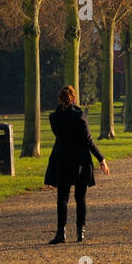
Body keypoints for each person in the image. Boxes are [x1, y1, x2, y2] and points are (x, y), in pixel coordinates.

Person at [43, 85, 109, 244]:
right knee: (80, 198)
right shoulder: (80, 116)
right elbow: (88, 140)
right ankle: (80, 232)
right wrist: (101, 159)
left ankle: (61, 233)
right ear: (73, 98)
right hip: (80, 160)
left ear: (60, 99)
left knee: (62, 198)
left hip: (62, 158)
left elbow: (60, 135)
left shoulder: (54, 118)